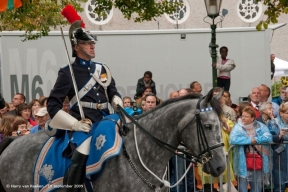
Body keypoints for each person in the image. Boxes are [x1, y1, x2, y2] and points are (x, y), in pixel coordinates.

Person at [46, 19, 123, 190]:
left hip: (107, 120)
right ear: (76, 47)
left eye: (92, 42)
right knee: (83, 150)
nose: (92, 45)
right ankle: (71, 188)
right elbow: (52, 104)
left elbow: (112, 92)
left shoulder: (102, 69)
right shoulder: (67, 73)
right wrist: (74, 124)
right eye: (87, 43)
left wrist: (116, 101)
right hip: (84, 126)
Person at [230, 106, 272, 192]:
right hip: (242, 161)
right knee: (242, 187)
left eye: (246, 116)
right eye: (242, 116)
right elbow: (233, 139)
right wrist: (250, 140)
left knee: (257, 187)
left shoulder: (261, 126)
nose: (243, 118)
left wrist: (256, 139)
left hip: (258, 160)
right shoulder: (238, 127)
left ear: (252, 118)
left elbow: (268, 137)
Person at [267, 103, 288, 192]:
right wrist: (279, 136)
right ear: (281, 113)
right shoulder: (273, 122)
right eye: (287, 113)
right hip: (279, 157)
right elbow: (270, 137)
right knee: (280, 185)